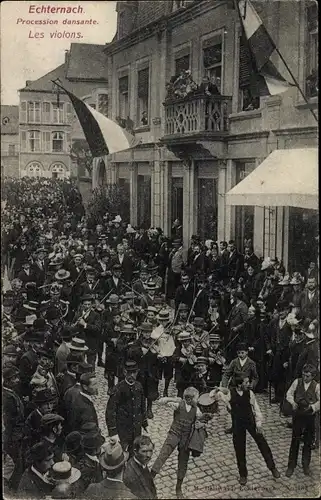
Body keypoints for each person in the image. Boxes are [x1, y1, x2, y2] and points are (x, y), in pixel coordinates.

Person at [211, 375, 280, 485]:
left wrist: (259, 424)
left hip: (250, 422)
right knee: (239, 449)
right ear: (239, 384)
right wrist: (219, 389)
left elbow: (256, 409)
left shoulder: (250, 393)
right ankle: (243, 475)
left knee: (262, 443)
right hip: (238, 425)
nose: (249, 384)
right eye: (246, 382)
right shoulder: (230, 394)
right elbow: (213, 396)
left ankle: (272, 468)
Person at [151, 387, 202, 499]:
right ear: (189, 399)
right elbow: (161, 402)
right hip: (174, 434)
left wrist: (201, 424)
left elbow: (202, 420)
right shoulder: (178, 405)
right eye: (196, 398)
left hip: (186, 439)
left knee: (183, 462)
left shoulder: (196, 410)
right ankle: (150, 478)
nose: (197, 400)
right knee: (163, 455)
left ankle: (178, 487)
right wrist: (173, 398)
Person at [106, 360, 148, 457]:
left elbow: (142, 405)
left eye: (134, 372)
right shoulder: (118, 389)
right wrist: (113, 432)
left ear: (137, 372)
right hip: (123, 430)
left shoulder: (139, 386)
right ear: (124, 372)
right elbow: (110, 411)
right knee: (122, 454)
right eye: (129, 373)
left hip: (136, 429)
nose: (132, 375)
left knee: (135, 452)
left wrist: (144, 423)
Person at [285, 363, 320, 477]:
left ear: (313, 376)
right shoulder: (297, 382)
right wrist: (293, 402)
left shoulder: (316, 386)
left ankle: (306, 465)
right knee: (295, 440)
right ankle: (291, 466)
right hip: (298, 415)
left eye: (308, 376)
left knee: (308, 441)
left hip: (309, 416)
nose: (305, 378)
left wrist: (313, 407)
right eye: (304, 375)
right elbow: (289, 394)